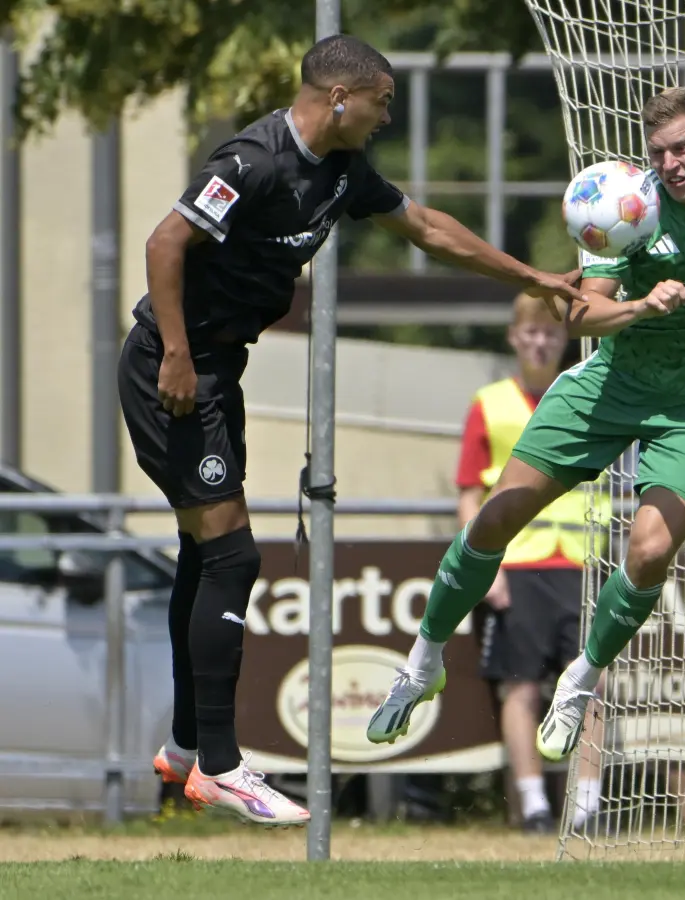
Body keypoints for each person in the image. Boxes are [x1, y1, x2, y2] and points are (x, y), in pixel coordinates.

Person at [130, 35, 583, 826]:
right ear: (341, 98)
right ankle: (225, 766)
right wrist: (173, 352)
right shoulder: (253, 161)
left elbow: (430, 228)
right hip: (172, 372)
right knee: (233, 556)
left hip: (214, 370)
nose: (386, 116)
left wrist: (534, 278)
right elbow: (165, 241)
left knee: (205, 555)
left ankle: (183, 749)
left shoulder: (341, 172)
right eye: (382, 102)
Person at [366, 87, 685, 762]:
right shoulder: (628, 203)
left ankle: (581, 679)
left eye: (683, 148)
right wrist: (644, 307)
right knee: (497, 516)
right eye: (659, 152)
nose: (670, 164)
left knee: (648, 551)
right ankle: (422, 662)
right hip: (613, 386)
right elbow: (579, 315)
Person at [455, 292, 605, 833]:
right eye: (531, 333)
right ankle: (533, 803)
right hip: (516, 565)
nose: (540, 342)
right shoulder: (490, 402)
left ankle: (586, 808)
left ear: (564, 341)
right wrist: (485, 567)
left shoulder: (588, 392)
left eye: (550, 333)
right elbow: (470, 493)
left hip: (582, 564)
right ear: (515, 338)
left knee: (591, 685)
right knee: (519, 687)